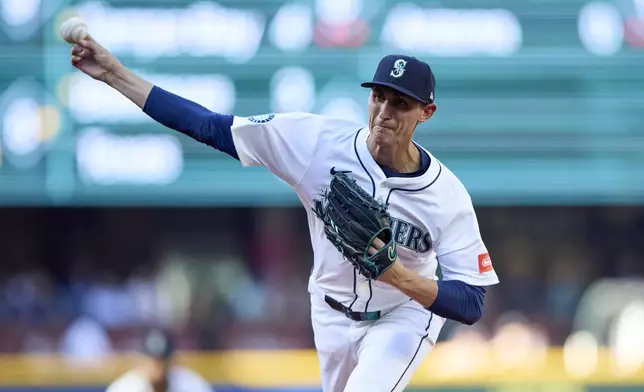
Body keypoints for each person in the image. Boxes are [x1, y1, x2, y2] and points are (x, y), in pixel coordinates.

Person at [71, 36, 500, 392]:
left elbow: (471, 302)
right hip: (330, 312)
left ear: (426, 113)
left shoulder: (446, 196)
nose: (385, 112)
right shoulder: (318, 143)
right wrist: (114, 75)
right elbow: (209, 126)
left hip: (402, 315)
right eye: (379, 97)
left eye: (401, 104)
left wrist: (400, 278)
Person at [105, 329, 213, 392]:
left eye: (162, 359)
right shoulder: (125, 388)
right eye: (151, 360)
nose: (157, 366)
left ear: (172, 361)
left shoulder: (190, 384)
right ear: (139, 361)